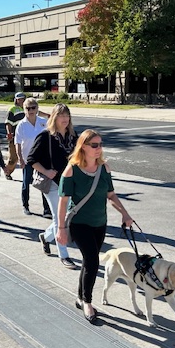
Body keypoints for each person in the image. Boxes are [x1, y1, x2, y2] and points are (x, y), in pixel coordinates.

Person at [56, 129, 134, 323]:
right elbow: (63, 202)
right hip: (79, 223)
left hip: (100, 222)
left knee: (87, 262)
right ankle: (88, 303)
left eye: (100, 144)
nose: (99, 148)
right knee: (92, 261)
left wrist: (124, 213)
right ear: (83, 146)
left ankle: (80, 297)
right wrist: (61, 228)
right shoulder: (71, 170)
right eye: (95, 145)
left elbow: (111, 195)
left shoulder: (104, 168)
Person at [26, 103, 78, 269]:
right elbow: (31, 160)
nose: (64, 119)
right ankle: (64, 255)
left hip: (69, 182)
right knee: (59, 217)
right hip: (53, 183)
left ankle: (47, 237)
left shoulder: (72, 136)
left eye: (66, 115)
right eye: (61, 115)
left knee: (67, 216)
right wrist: (46, 171)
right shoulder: (45, 136)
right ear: (54, 117)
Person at [14, 97, 51, 217]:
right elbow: (17, 142)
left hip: (41, 159)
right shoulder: (22, 125)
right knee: (26, 183)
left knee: (44, 184)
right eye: (27, 108)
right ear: (24, 109)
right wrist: (20, 158)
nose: (30, 110)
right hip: (27, 159)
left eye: (33, 107)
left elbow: (49, 138)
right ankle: (25, 205)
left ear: (37, 109)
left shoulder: (42, 122)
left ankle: (47, 209)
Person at [3, 92, 26, 180]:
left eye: (22, 99)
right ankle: (7, 172)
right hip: (15, 137)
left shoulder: (27, 108)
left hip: (25, 137)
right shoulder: (12, 109)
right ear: (16, 99)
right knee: (13, 158)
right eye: (19, 99)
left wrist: (47, 115)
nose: (21, 101)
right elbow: (8, 123)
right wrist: (9, 133)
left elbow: (37, 113)